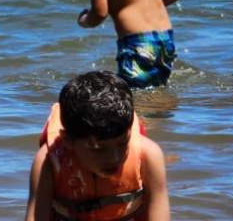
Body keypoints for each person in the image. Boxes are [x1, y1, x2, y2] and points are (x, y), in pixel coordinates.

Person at [24, 71, 170, 221]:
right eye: (98, 149)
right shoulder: (49, 162)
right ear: (68, 140)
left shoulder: (148, 156)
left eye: (123, 143)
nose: (114, 158)